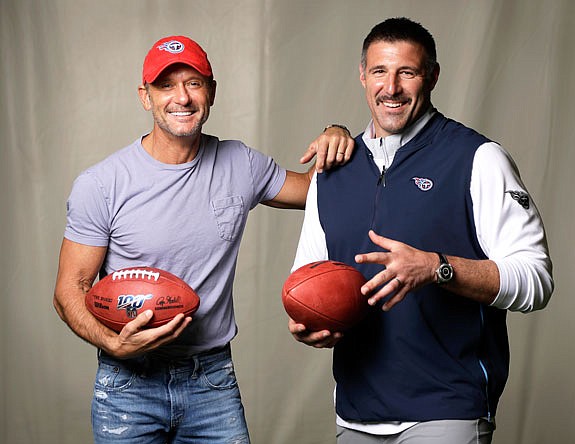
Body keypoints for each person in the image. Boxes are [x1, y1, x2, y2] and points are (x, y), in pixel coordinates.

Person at [53, 35, 354, 443]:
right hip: (128, 384)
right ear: (145, 97)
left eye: (194, 83)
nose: (182, 97)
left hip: (210, 380)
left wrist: (336, 134)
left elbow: (317, 192)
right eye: (166, 85)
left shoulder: (241, 163)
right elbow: (69, 290)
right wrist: (114, 343)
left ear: (211, 92)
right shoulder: (102, 184)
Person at [289, 17, 554, 444]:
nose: (390, 88)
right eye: (379, 71)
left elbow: (537, 281)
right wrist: (309, 322)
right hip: (355, 411)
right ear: (362, 75)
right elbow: (308, 278)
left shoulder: (478, 158)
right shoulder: (330, 170)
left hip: (446, 409)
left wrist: (437, 268)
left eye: (406, 72)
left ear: (431, 76)